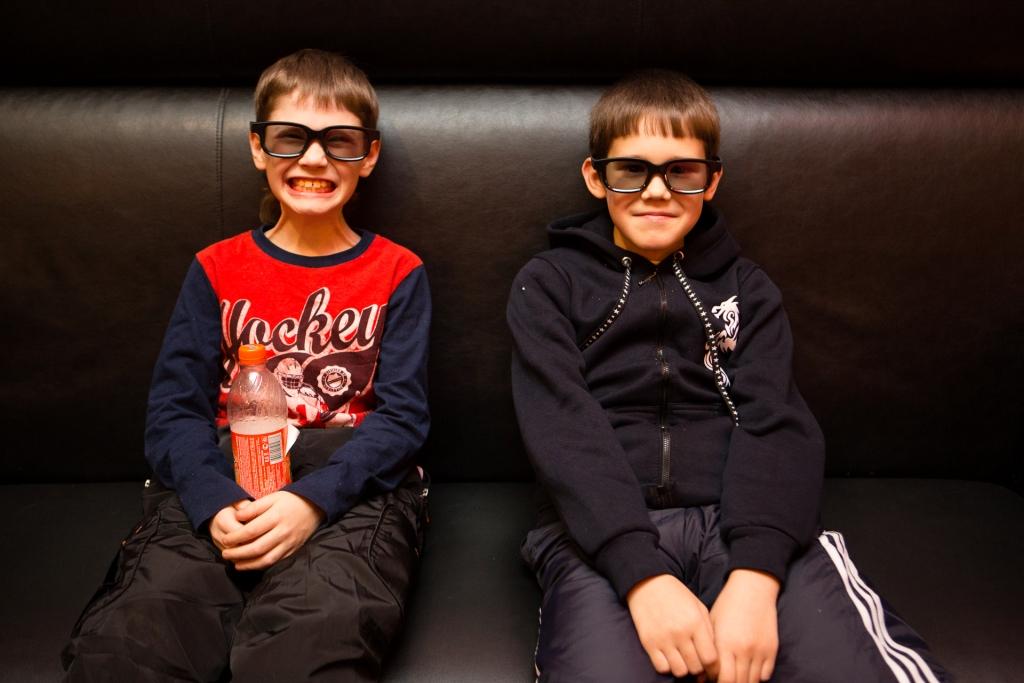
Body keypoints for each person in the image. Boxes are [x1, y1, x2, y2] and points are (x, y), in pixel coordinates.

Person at [506, 70, 947, 683]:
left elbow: (776, 421)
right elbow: (561, 425)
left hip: (742, 520)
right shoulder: (548, 284)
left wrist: (756, 577)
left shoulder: (749, 288)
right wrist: (641, 575)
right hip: (595, 533)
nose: (655, 192)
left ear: (711, 180)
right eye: (631, 170)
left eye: (681, 172)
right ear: (595, 176)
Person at [62, 48, 430, 682]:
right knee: (136, 637)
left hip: (351, 480)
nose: (313, 159)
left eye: (339, 142)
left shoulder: (399, 271)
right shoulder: (216, 267)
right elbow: (173, 411)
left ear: (368, 156)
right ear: (258, 147)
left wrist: (312, 501)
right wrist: (213, 503)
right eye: (290, 138)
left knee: (311, 640)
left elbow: (403, 420)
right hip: (219, 469)